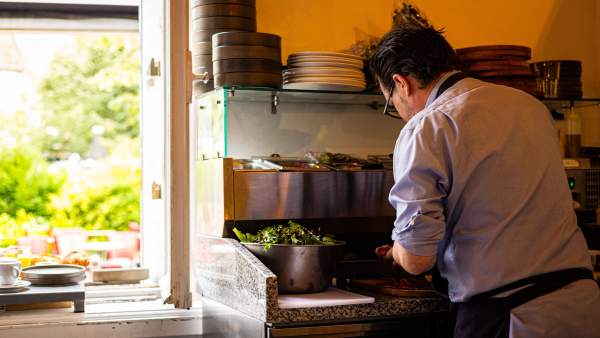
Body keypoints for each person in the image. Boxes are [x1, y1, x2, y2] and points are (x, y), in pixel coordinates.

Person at [371, 25, 600, 338]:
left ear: (401, 83)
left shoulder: (427, 126)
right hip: (580, 302)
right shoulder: (529, 106)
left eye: (390, 103)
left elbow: (416, 259)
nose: (399, 112)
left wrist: (398, 251)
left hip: (510, 314)